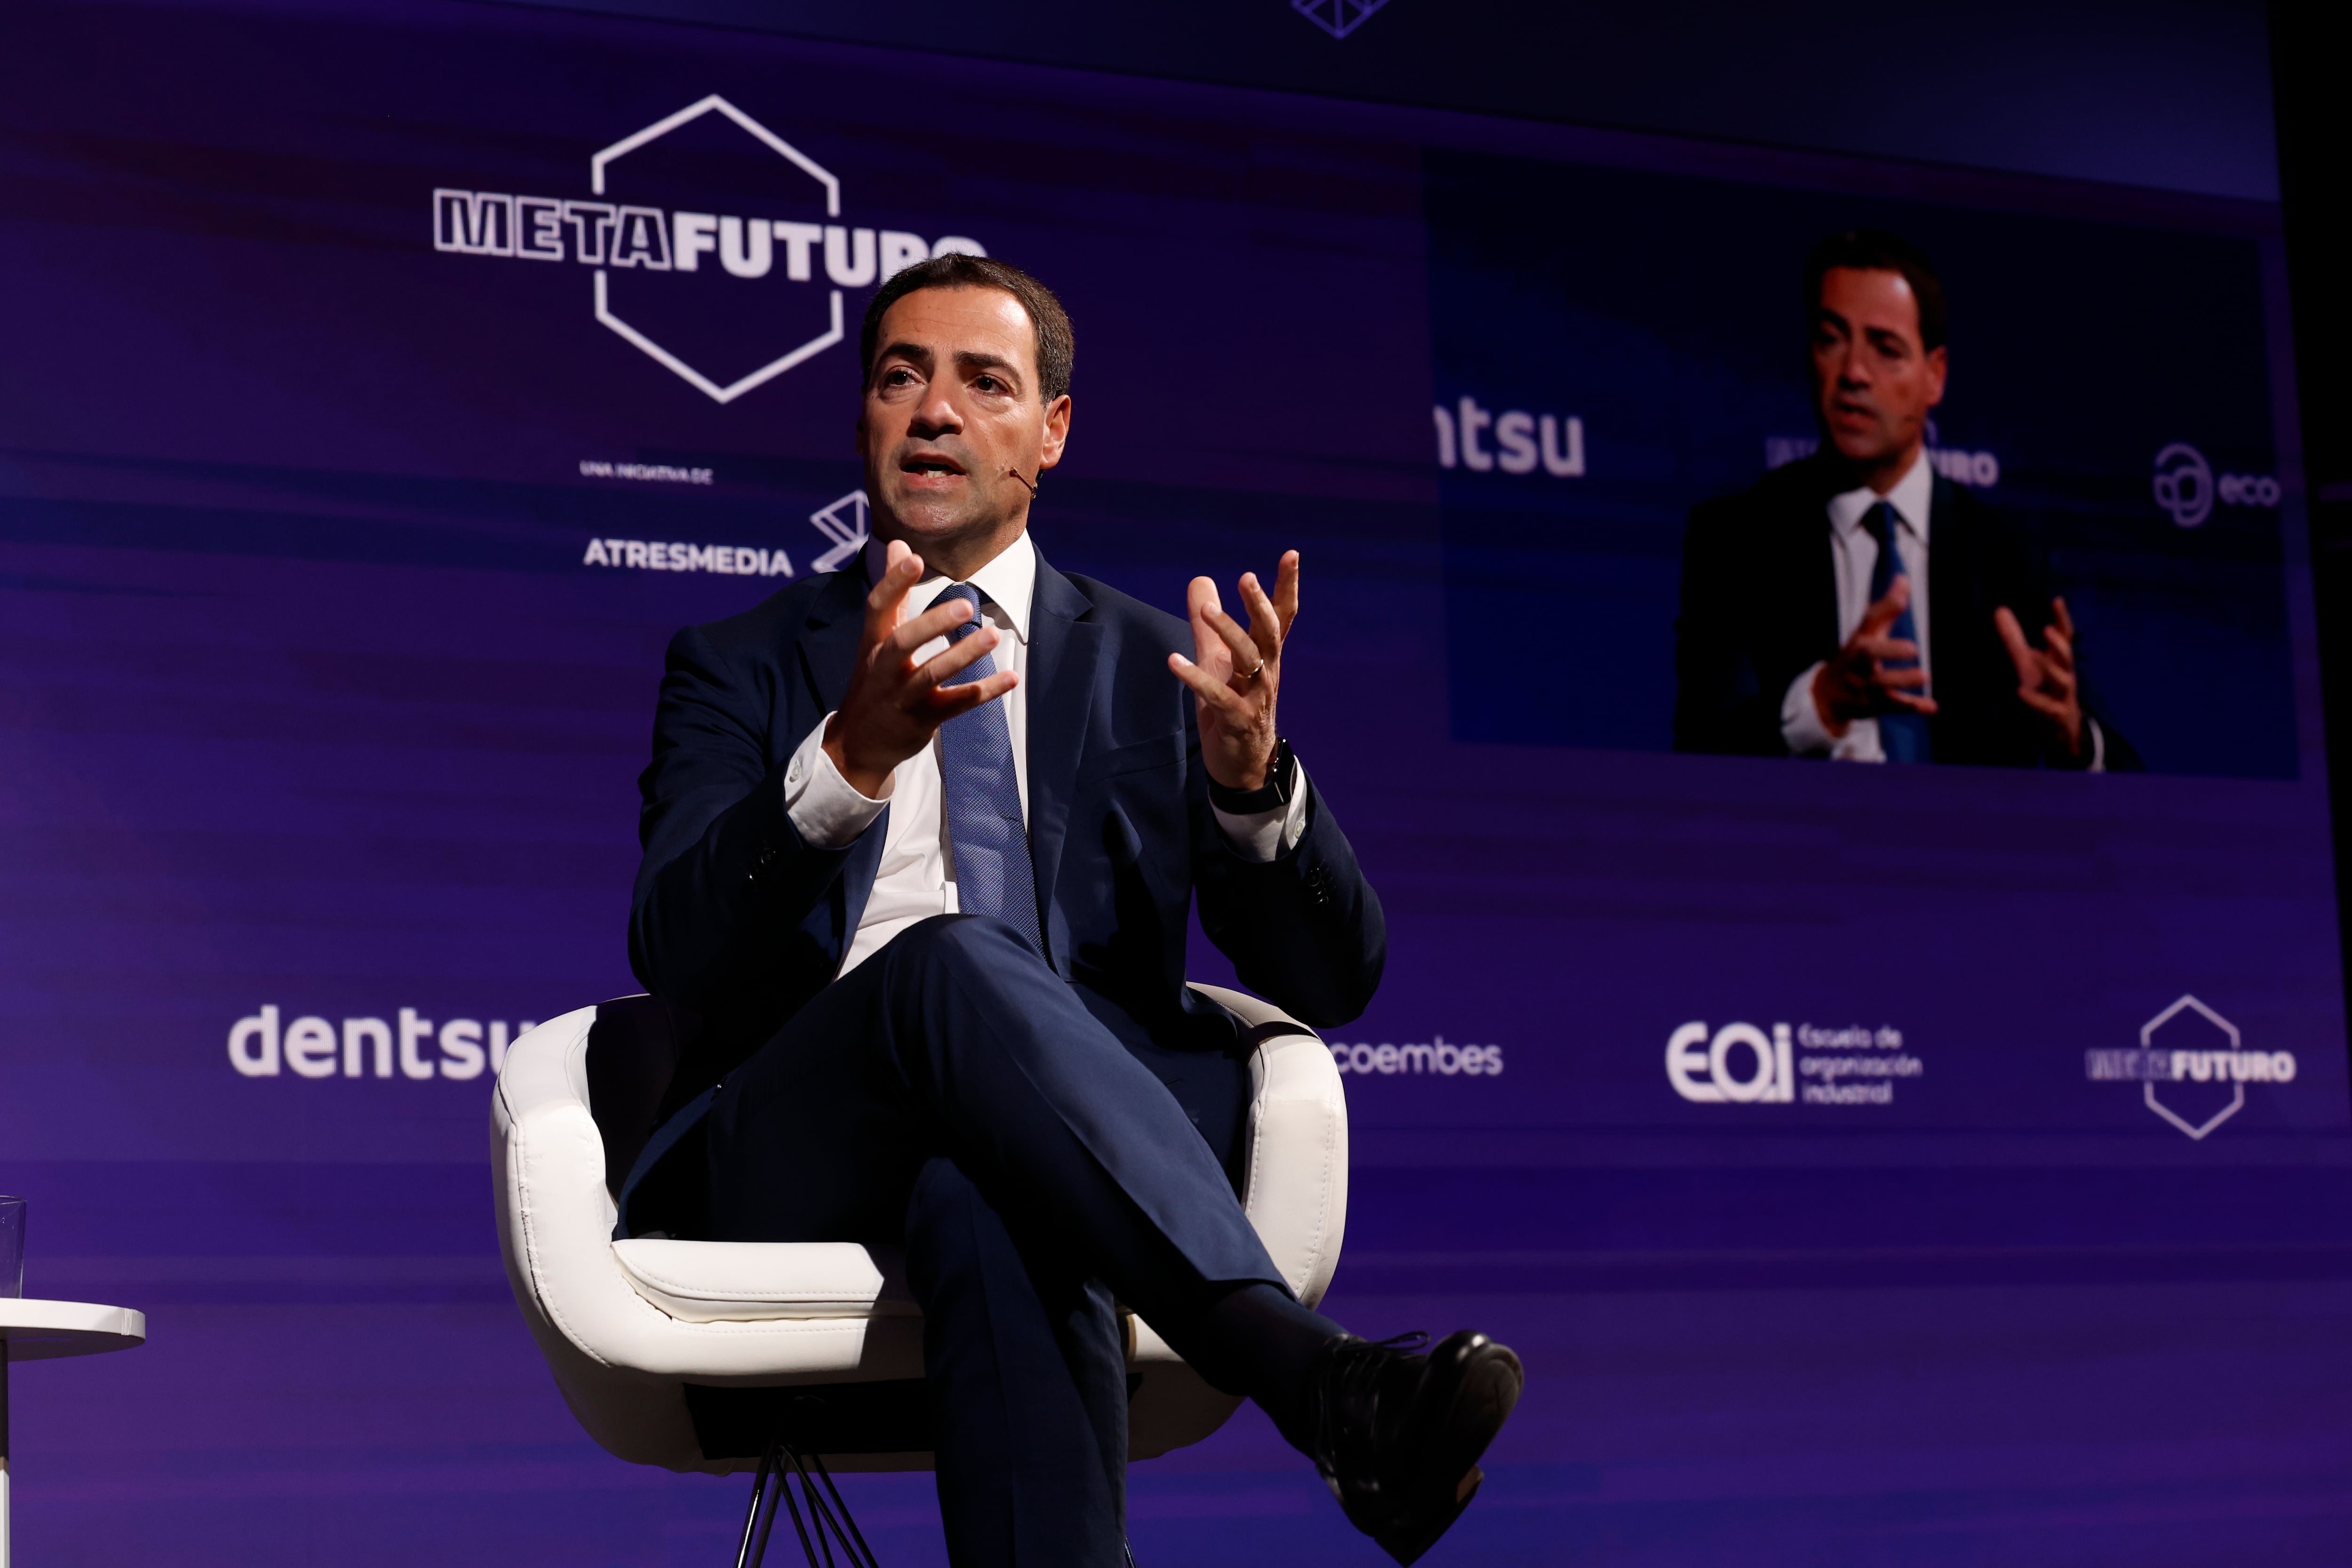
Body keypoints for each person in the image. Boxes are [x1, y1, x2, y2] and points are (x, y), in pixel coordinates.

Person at [625, 254, 1521, 1568]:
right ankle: (1320, 1382)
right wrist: (846, 761)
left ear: (1050, 431)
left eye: (984, 382)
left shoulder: (1162, 667)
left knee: (993, 1189)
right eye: (898, 378)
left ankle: (1331, 1402)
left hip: (1071, 1150)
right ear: (865, 419)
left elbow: (1335, 981)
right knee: (946, 962)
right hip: (803, 1131)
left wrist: (1252, 787)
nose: (933, 411)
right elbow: (679, 945)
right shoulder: (742, 660)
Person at [1674, 229, 2138, 770]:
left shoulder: (2006, 557)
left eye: (1885, 350)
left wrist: (2070, 738)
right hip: (1798, 845)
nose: (1851, 373)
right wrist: (1817, 705)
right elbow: (1699, 754)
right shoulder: (1736, 538)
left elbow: (2127, 775)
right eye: (1831, 339)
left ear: (1934, 376)